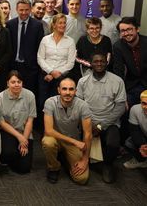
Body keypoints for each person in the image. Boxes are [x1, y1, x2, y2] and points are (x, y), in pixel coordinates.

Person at [77, 52, 126, 183]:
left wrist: (101, 125)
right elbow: (79, 105)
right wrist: (91, 123)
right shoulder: (83, 81)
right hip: (88, 121)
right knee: (79, 144)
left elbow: (121, 107)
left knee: (113, 143)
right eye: (96, 61)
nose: (99, 64)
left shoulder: (117, 81)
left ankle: (108, 165)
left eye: (102, 61)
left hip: (110, 122)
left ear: (107, 62)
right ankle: (87, 160)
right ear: (90, 64)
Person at [42, 77, 92, 185]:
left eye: (71, 89)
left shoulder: (83, 105)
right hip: (55, 139)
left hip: (72, 142)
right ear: (59, 90)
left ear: (75, 91)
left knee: (81, 179)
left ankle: (64, 158)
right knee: (47, 142)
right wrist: (75, 142)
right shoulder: (50, 102)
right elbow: (49, 130)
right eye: (64, 89)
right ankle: (54, 168)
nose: (68, 92)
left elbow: (88, 134)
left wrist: (85, 159)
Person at [0, 70, 36, 174]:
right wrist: (19, 137)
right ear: (7, 83)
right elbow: (2, 123)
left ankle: (17, 156)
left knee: (24, 169)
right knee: (8, 153)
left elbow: (30, 121)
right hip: (8, 132)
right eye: (13, 82)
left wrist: (24, 141)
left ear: (22, 83)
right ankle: (9, 157)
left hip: (25, 132)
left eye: (19, 82)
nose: (16, 85)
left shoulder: (30, 95)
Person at [37, 13, 76, 116]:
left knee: (57, 105)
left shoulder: (70, 41)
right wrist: (50, 71)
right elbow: (40, 58)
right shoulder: (45, 39)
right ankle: (43, 129)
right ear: (54, 25)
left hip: (61, 78)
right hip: (45, 76)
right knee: (42, 104)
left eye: (64, 23)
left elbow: (70, 63)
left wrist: (56, 73)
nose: (63, 25)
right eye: (60, 23)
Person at [6, 0, 44, 96]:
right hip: (13, 66)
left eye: (26, 10)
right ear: (16, 9)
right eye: (21, 10)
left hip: (31, 68)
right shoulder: (10, 24)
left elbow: (39, 48)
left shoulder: (37, 25)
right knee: (13, 94)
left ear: (31, 9)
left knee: (30, 95)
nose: (24, 12)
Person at [113, 17, 147, 108]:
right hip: (132, 85)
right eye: (123, 31)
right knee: (122, 107)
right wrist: (121, 95)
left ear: (137, 29)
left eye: (129, 29)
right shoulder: (118, 46)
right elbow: (118, 71)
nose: (126, 33)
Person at [123, 90, 147, 169]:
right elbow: (134, 131)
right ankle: (141, 161)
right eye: (144, 103)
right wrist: (143, 146)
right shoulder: (135, 109)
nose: (146, 107)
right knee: (129, 143)